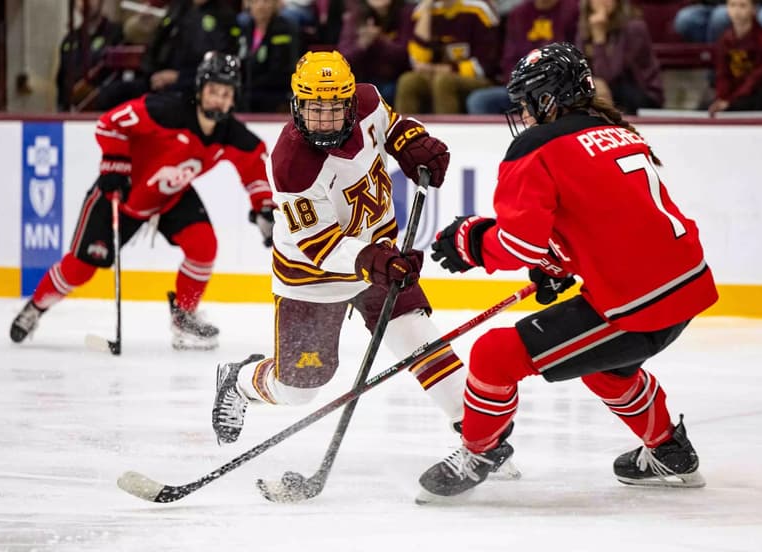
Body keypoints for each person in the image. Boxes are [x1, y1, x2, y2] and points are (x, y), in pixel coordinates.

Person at [416, 42, 719, 502]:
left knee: (495, 354)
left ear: (548, 99)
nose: (524, 114)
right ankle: (668, 451)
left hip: (638, 305)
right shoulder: (615, 131)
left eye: (526, 103)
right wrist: (556, 264)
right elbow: (609, 223)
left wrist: (471, 243)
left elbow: (519, 243)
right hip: (684, 285)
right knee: (608, 371)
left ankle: (480, 450)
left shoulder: (537, 147)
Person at [209, 51, 519, 475]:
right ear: (297, 105)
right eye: (314, 110)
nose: (324, 120)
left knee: (418, 338)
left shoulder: (370, 101)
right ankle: (241, 380)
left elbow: (394, 127)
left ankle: (480, 439)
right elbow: (318, 245)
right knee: (299, 388)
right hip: (313, 277)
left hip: (379, 253)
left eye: (334, 109)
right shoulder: (290, 165)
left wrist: (412, 144)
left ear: (351, 103)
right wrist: (372, 258)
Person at [10, 52, 275, 351]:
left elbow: (255, 164)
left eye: (226, 94)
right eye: (214, 90)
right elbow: (110, 123)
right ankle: (36, 307)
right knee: (80, 268)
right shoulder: (165, 110)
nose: (218, 100)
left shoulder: (230, 133)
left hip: (170, 196)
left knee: (203, 246)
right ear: (200, 89)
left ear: (233, 99)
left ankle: (184, 317)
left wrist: (264, 207)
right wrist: (115, 164)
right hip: (122, 193)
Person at [96, 0, 241, 110]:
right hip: (159, 79)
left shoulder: (224, 17)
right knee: (111, 94)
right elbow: (157, 46)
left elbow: (222, 65)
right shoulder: (178, 8)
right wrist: (153, 74)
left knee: (164, 102)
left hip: (193, 85)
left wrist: (179, 77)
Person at [466, 0, 579, 114]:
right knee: (480, 100)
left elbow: (574, 56)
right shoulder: (518, 13)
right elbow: (509, 58)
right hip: (524, 87)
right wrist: (521, 85)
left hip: (559, 87)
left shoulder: (573, 10)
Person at [393, 0, 500, 114]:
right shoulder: (421, 11)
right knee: (408, 81)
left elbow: (486, 63)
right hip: (435, 75)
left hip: (477, 79)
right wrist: (426, 13)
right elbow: (417, 62)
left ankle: (447, 131)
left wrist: (446, 69)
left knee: (443, 81)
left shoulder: (478, 9)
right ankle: (406, 130)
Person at [576, 0, 663, 114]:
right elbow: (581, 70)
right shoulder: (585, 27)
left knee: (602, 90)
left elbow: (610, 77)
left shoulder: (635, 28)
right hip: (604, 91)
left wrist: (599, 39)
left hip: (641, 94)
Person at [336, 0, 414, 106]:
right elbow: (342, 59)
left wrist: (379, 39)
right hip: (363, 78)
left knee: (395, 89)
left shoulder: (405, 13)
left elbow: (406, 55)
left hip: (396, 78)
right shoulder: (356, 17)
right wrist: (362, 45)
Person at [708, 0, 762, 114]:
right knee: (707, 107)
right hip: (734, 92)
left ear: (754, 9)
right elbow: (722, 72)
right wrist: (722, 97)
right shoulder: (724, 39)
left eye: (743, 6)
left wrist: (731, 100)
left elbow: (758, 76)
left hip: (756, 92)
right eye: (732, 5)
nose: (737, 11)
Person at [56, 0, 124, 111]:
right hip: (74, 114)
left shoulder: (116, 33)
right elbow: (61, 80)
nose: (85, 2)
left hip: (107, 112)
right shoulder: (70, 39)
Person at [237, 0, 301, 112]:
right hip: (248, 92)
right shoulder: (246, 29)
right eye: (255, 2)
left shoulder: (284, 29)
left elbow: (283, 69)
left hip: (274, 93)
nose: (261, 6)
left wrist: (250, 84)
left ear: (275, 4)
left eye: (266, 1)